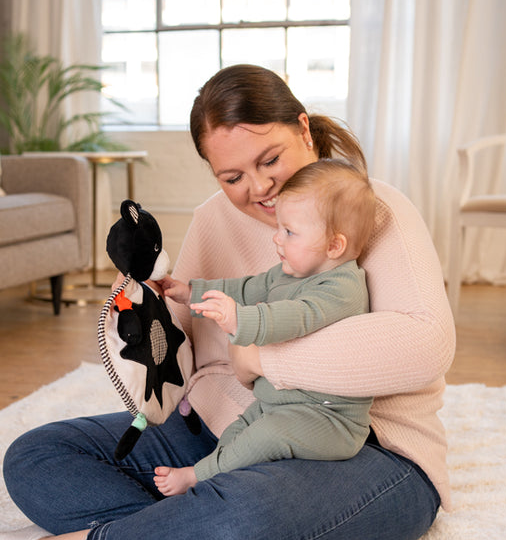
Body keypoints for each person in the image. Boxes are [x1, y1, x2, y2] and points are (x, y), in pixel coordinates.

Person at [0, 64, 455, 540]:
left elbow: (423, 346)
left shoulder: (374, 211)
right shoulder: (213, 219)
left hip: (364, 450)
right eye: (233, 175)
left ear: (304, 128)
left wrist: (264, 359)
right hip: (226, 433)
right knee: (39, 456)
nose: (260, 189)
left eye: (270, 160)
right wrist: (151, 315)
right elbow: (199, 360)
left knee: (248, 515)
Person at [153, 158, 377, 497]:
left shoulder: (343, 288)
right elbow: (246, 288)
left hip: (330, 420)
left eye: (289, 232)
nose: (277, 239)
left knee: (267, 435)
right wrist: (190, 293)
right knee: (239, 431)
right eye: (279, 228)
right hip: (280, 402)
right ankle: (215, 473)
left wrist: (239, 319)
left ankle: (198, 476)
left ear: (335, 246)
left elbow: (296, 316)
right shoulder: (289, 272)